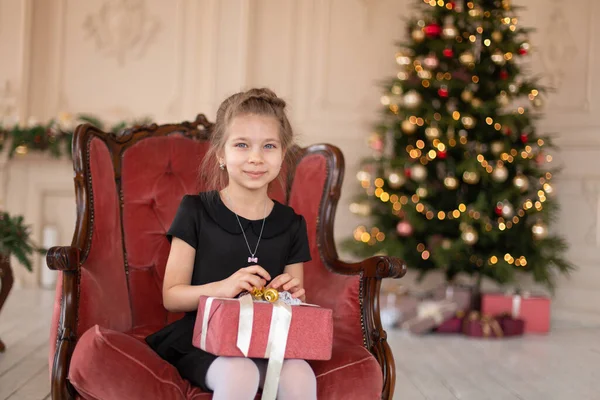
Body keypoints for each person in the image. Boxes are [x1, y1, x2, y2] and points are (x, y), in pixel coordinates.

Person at [146, 88, 317, 400]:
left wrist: (292, 297)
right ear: (221, 154)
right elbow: (172, 296)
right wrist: (223, 288)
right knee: (241, 372)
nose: (255, 157)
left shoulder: (292, 224)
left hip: (263, 340)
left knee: (300, 375)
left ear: (282, 153)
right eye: (242, 145)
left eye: (269, 146)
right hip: (203, 338)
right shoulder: (195, 210)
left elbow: (291, 310)